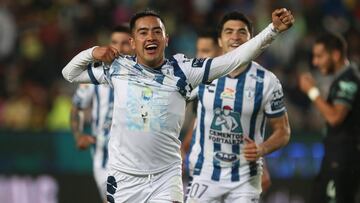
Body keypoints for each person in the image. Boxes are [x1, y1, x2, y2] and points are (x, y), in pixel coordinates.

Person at [62, 8, 294, 203]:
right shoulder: (118, 68)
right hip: (124, 178)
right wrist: (93, 52)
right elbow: (69, 73)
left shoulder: (184, 70)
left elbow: (235, 58)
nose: (151, 37)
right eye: (143, 32)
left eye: (157, 32)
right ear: (133, 43)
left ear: (166, 39)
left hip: (166, 178)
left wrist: (272, 30)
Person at [184, 12, 290, 203]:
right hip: (205, 173)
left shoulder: (267, 81)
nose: (235, 37)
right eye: (229, 31)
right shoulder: (201, 73)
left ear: (251, 38)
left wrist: (262, 149)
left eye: (242, 32)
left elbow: (283, 131)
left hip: (245, 178)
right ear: (219, 40)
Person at [70, 25, 133, 201]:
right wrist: (78, 134)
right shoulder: (96, 74)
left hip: (135, 157)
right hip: (104, 160)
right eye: (114, 42)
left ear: (134, 44)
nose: (119, 48)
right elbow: (77, 107)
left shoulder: (145, 74)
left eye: (125, 43)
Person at [299, 33, 360, 203]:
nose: (315, 62)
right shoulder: (342, 78)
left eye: (320, 56)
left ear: (335, 54)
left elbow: (335, 117)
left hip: (343, 161)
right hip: (334, 159)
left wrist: (312, 91)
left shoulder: (348, 80)